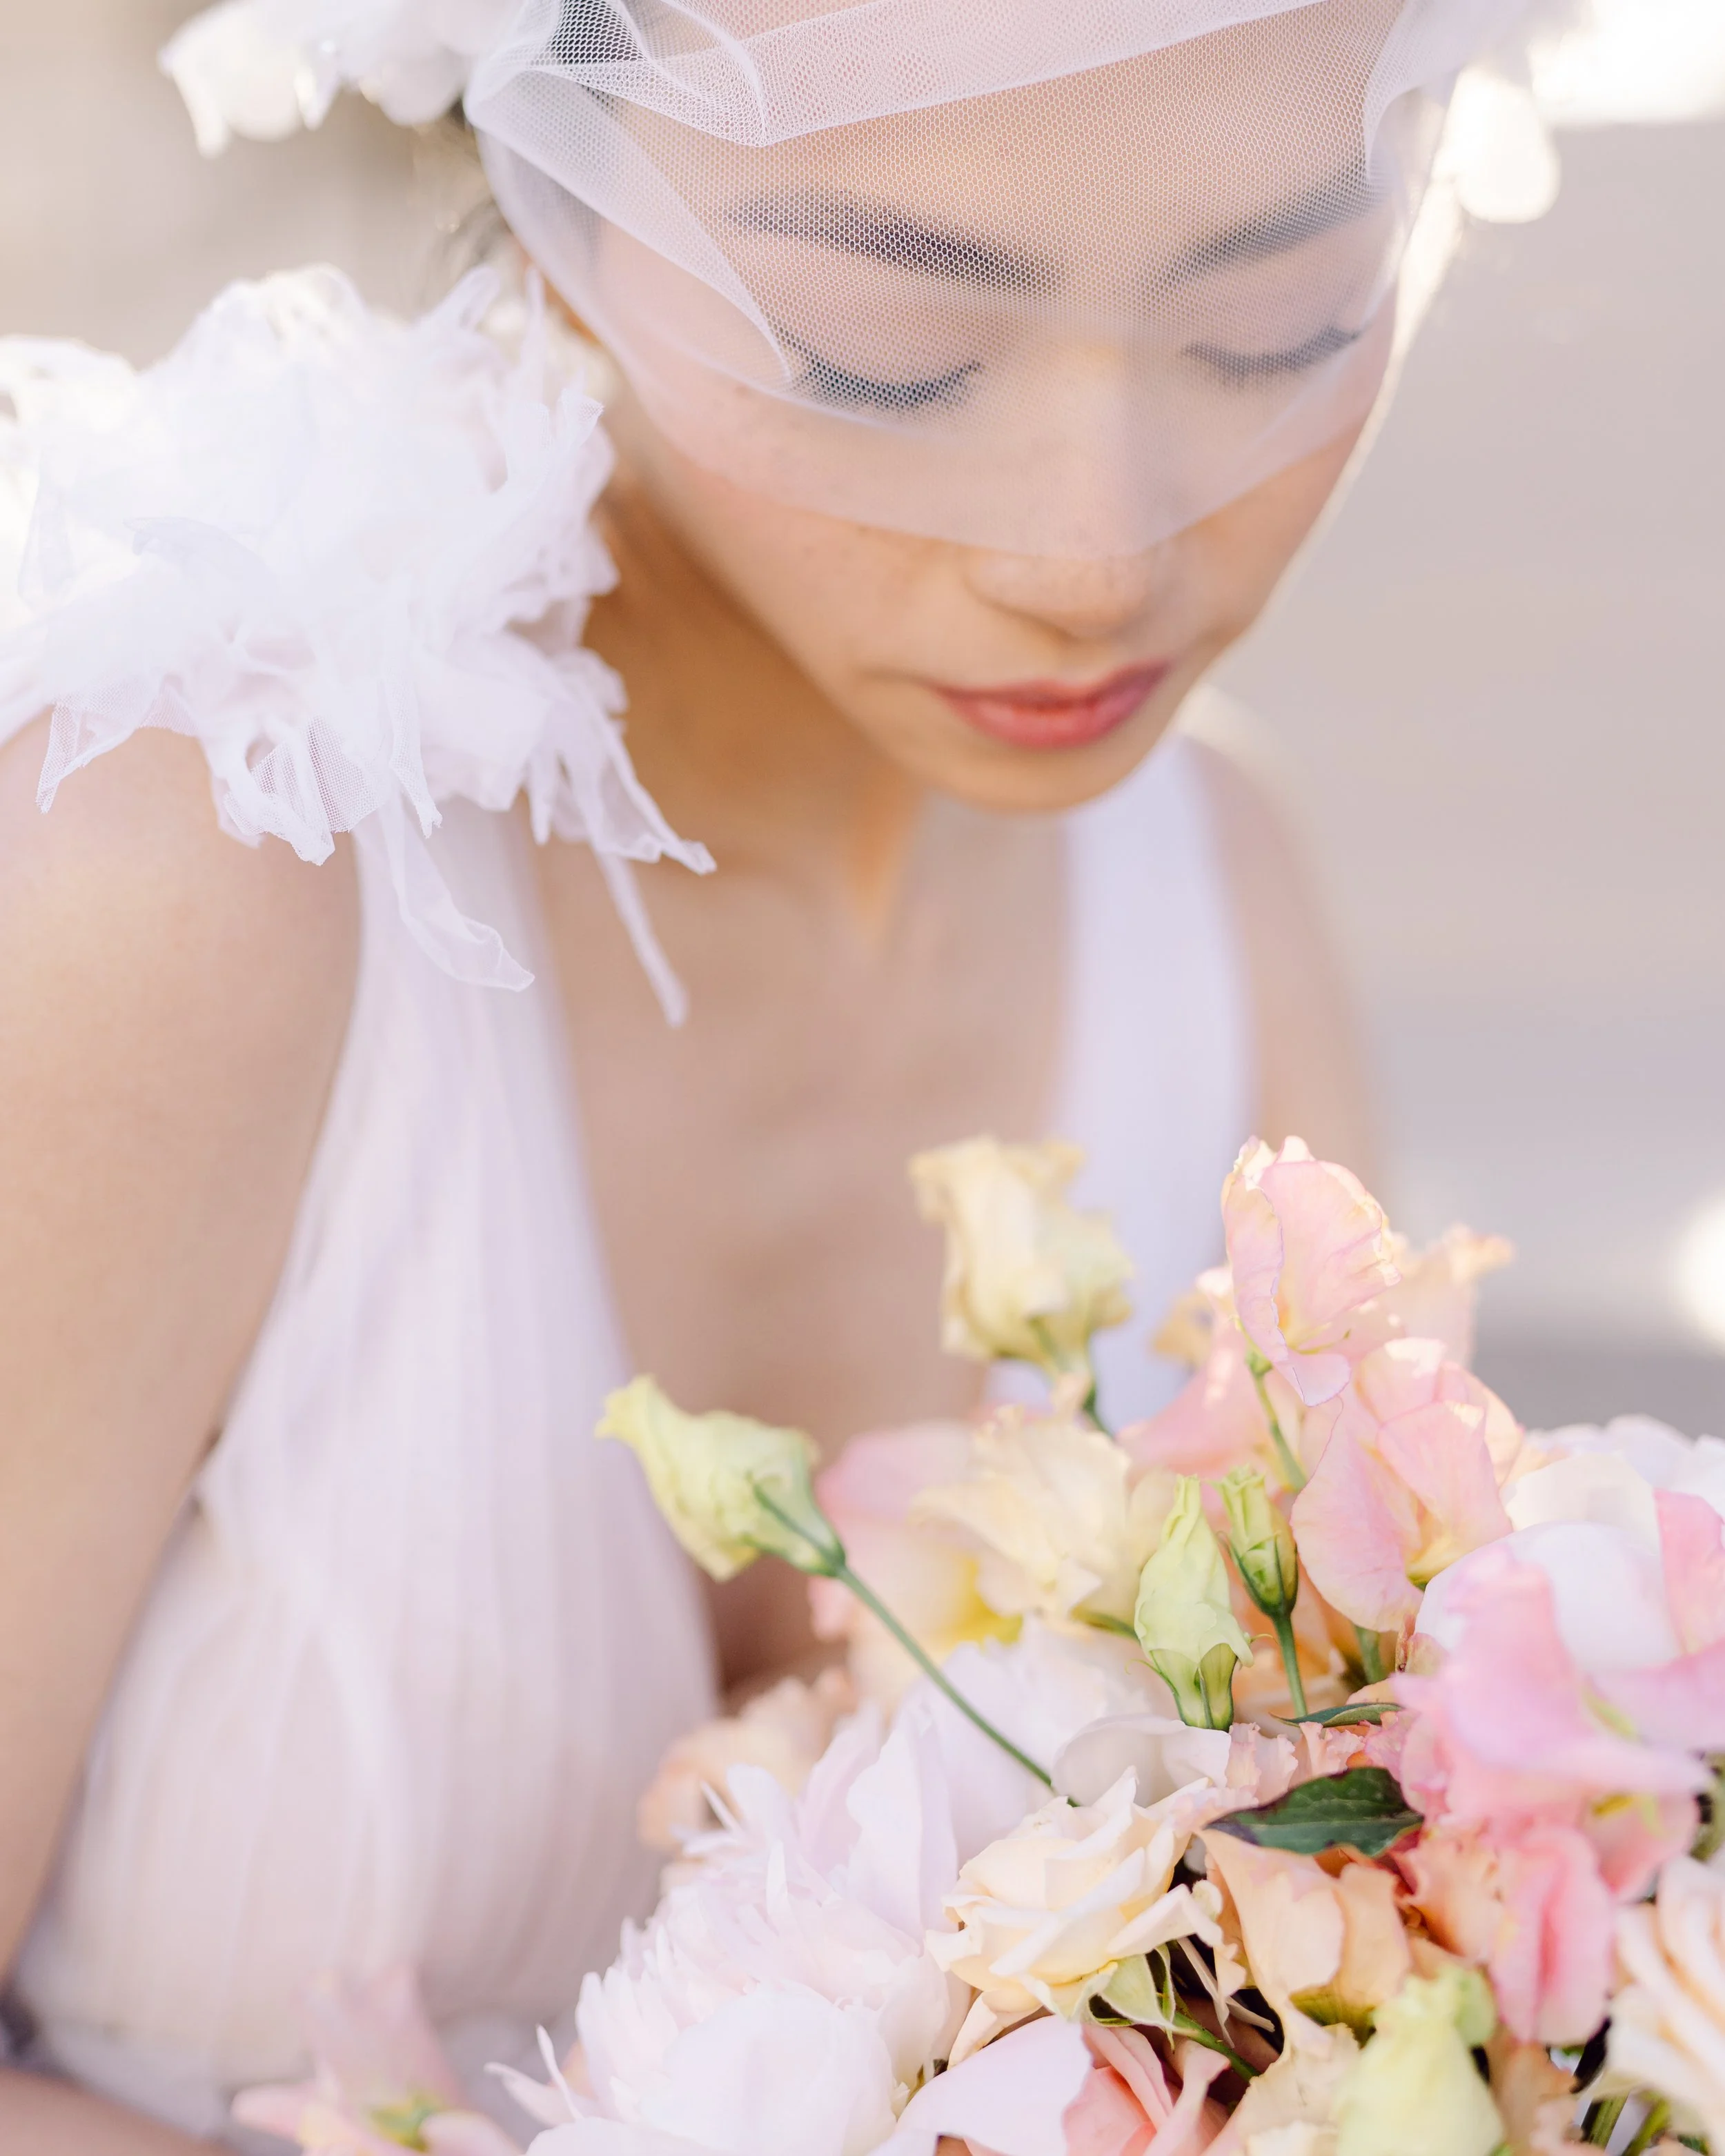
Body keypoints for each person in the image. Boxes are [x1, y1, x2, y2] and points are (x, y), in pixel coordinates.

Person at [0, 0, 1545, 2145]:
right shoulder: (181, 879)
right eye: (880, 353)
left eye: (1273, 324)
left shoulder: (1226, 893)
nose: (1091, 550)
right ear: (552, 174)